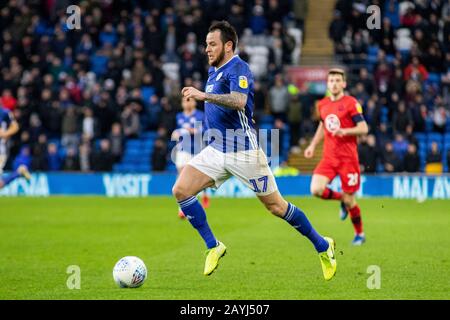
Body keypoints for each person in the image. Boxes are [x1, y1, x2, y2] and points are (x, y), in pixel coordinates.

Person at [172, 21, 336, 280]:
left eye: (212, 44)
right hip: (216, 148)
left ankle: (323, 246)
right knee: (181, 190)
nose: (206, 49)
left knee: (276, 207)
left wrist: (203, 96)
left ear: (228, 45)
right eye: (205, 44)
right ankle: (213, 246)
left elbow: (239, 101)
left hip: (243, 152)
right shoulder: (213, 72)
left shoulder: (239, 67)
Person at [304, 68, 369, 246]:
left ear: (344, 83)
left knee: (351, 201)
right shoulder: (323, 104)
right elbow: (322, 126)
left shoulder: (351, 103)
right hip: (329, 158)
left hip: (348, 159)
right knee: (316, 189)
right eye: (331, 80)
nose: (334, 83)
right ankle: (342, 200)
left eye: (337, 80)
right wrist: (312, 145)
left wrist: (345, 131)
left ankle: (360, 234)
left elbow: (364, 128)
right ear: (328, 84)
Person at [171, 96, 210, 219]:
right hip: (182, 149)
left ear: (194, 102)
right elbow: (177, 130)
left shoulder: (200, 115)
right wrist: (176, 133)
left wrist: (192, 130)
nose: (186, 103)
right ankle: (182, 208)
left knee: (196, 178)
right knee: (181, 176)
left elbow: (206, 129)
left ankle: (203, 195)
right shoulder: (179, 116)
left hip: (197, 149)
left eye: (189, 100)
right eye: (184, 101)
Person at [0, 105, 31, 189]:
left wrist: (5, 134)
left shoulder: (4, 112)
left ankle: (19, 172)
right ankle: (19, 172)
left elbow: (15, 126)